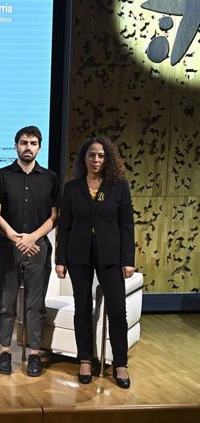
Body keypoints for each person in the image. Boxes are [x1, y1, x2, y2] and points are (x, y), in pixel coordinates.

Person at [55, 136, 135, 389]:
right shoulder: (72, 187)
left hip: (111, 257)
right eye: (92, 155)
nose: (96, 160)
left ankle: (120, 363)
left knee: (117, 310)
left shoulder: (119, 186)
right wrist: (60, 260)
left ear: (107, 158)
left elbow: (126, 225)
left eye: (101, 155)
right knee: (82, 308)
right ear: (84, 158)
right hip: (78, 256)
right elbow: (64, 227)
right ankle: (85, 360)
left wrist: (127, 260)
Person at [0, 126, 59, 377]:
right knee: (6, 304)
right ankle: (5, 352)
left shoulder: (50, 178)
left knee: (35, 305)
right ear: (15, 146)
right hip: (8, 248)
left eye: (33, 143)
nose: (28, 147)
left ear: (39, 147)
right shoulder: (0, 176)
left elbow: (55, 216)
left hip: (38, 247)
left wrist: (32, 237)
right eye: (23, 143)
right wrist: (13, 236)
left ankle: (34, 354)